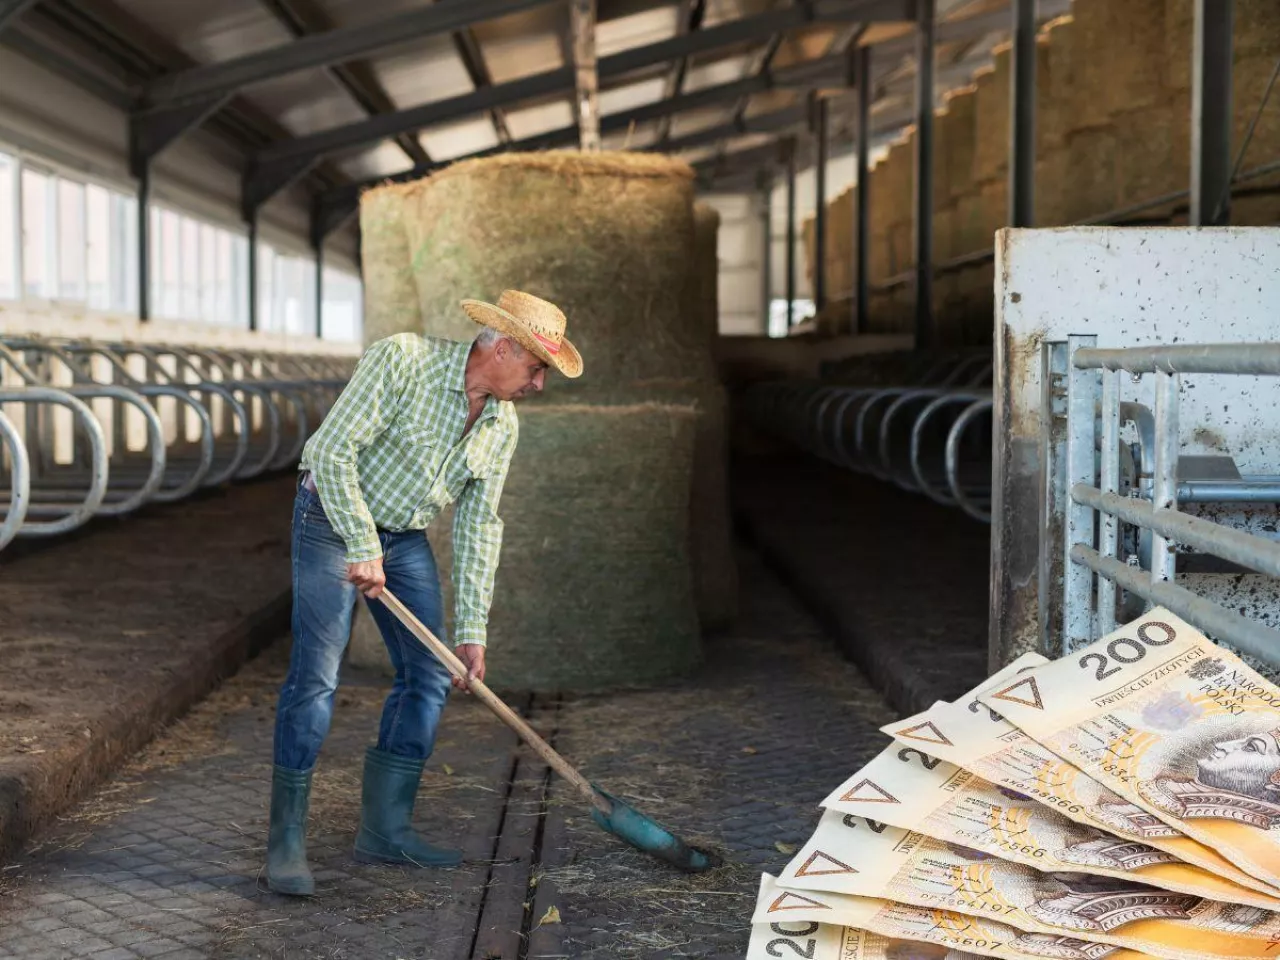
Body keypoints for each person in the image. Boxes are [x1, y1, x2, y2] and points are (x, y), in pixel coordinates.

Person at [265, 290, 583, 896]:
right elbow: (331, 452)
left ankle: (384, 830)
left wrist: (471, 632)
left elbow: (478, 525)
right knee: (317, 675)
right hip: (331, 519)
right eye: (536, 367)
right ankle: (285, 846)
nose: (539, 384)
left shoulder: (499, 425)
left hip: (403, 536)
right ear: (503, 346)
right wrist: (361, 543)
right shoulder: (403, 360)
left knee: (431, 674)